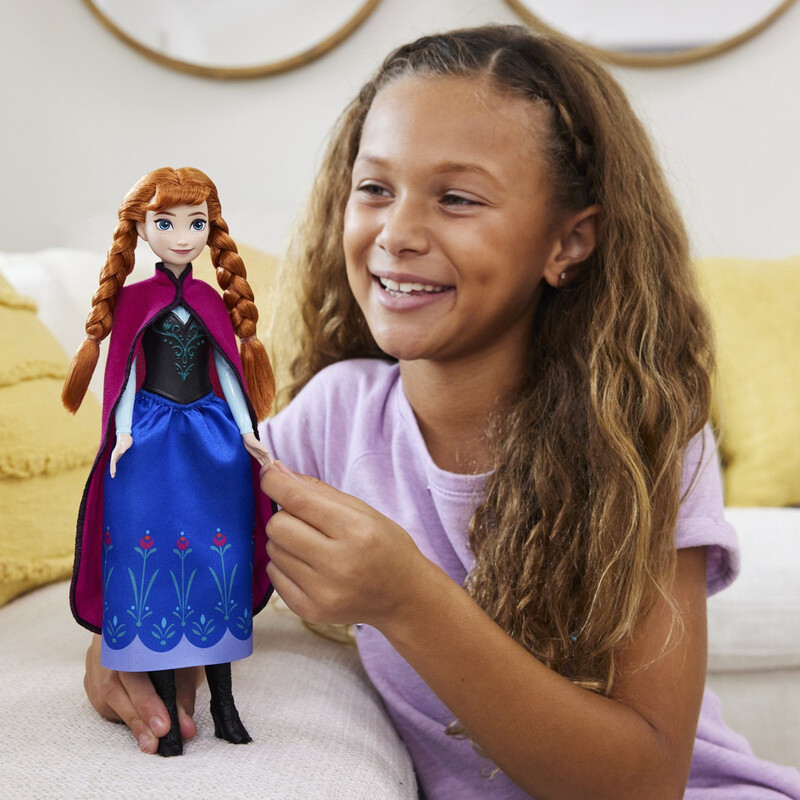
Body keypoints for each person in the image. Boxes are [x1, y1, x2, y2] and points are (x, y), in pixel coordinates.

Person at [82, 28, 800, 797]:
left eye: (457, 199)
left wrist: (407, 598)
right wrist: (136, 650)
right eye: (375, 188)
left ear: (569, 243)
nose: (397, 234)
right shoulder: (335, 419)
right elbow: (184, 544)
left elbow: (646, 781)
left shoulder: (643, 438)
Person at [64, 167, 276, 756]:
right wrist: (122, 433)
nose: (183, 237)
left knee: (217, 560)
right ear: (140, 228)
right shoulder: (134, 301)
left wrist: (247, 433)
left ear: (211, 229)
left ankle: (225, 706)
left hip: (211, 436)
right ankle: (164, 693)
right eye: (165, 223)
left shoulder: (212, 301)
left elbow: (229, 373)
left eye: (196, 224)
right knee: (151, 561)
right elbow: (125, 377)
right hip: (151, 440)